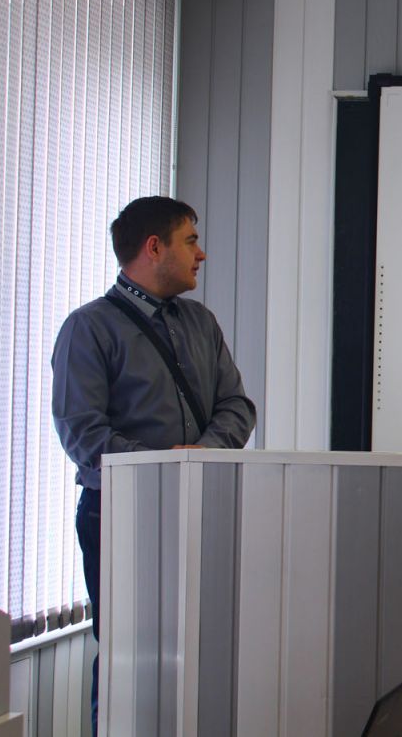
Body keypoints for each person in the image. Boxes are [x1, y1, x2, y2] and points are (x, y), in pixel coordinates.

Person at [51, 196, 256, 735]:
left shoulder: (202, 323)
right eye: (191, 240)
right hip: (121, 516)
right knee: (129, 651)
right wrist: (166, 469)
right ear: (154, 247)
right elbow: (83, 433)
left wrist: (203, 456)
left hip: (200, 508)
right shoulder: (88, 328)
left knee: (203, 646)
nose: (201, 254)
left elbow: (237, 406)